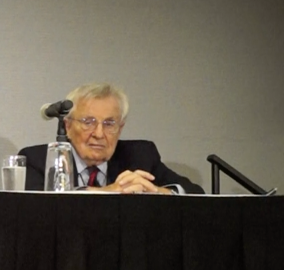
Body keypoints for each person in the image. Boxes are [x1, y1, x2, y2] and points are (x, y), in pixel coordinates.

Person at [19, 83, 204, 194]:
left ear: (120, 128)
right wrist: (109, 193)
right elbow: (37, 204)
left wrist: (155, 192)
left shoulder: (140, 156)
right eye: (88, 122)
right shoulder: (40, 159)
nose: (99, 133)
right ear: (68, 125)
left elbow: (196, 193)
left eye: (109, 124)